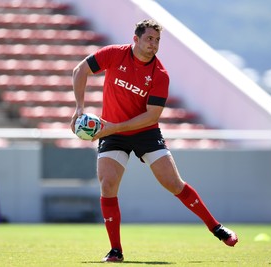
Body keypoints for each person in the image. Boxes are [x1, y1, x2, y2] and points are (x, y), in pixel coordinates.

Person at [70, 19, 238, 262]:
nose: (154, 44)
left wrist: (112, 128)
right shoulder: (114, 54)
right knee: (107, 185)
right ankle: (115, 250)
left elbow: (152, 116)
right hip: (113, 133)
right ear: (135, 39)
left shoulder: (159, 74)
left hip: (144, 131)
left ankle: (216, 227)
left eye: (157, 40)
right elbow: (80, 70)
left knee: (173, 184)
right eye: (149, 39)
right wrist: (79, 108)